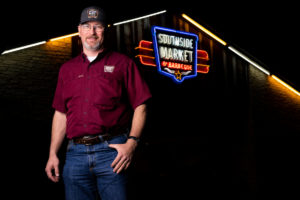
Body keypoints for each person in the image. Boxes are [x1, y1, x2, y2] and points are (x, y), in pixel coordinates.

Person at [45, 6, 152, 200]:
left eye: (98, 26)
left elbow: (141, 105)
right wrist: (53, 153)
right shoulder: (67, 70)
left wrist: (132, 143)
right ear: (79, 31)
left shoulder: (123, 64)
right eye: (87, 26)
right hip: (75, 155)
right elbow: (60, 113)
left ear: (105, 30)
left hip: (112, 152)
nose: (92, 32)